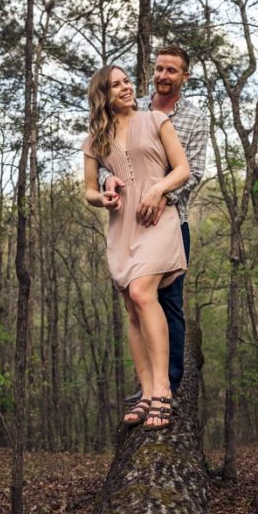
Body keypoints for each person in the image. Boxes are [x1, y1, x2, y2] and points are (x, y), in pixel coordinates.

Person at [82, 66, 192, 429]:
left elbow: (182, 169)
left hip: (158, 219)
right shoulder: (95, 139)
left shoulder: (156, 119)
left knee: (144, 293)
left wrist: (158, 189)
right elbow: (89, 192)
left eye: (127, 81)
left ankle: (163, 391)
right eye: (116, 85)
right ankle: (146, 394)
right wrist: (105, 196)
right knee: (131, 306)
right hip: (122, 224)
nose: (126, 87)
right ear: (103, 94)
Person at [101, 47, 208, 396]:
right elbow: (106, 156)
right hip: (130, 222)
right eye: (159, 69)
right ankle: (147, 384)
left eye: (172, 71)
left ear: (184, 77)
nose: (163, 76)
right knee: (135, 302)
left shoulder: (193, 118)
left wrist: (163, 196)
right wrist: (106, 180)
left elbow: (194, 170)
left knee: (168, 300)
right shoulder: (134, 106)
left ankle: (171, 382)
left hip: (174, 220)